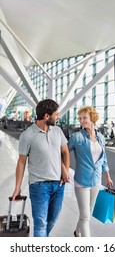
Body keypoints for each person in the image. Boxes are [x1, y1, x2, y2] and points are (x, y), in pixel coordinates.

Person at [12, 99, 70, 237]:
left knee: (51, 221)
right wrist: (17, 187)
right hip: (39, 186)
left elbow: (65, 152)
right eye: (56, 114)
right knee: (40, 224)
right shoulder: (27, 135)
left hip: (58, 185)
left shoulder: (57, 131)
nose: (58, 117)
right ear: (46, 116)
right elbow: (21, 162)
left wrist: (65, 171)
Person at [68, 106, 113, 237]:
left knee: (87, 213)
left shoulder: (101, 137)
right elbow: (64, 152)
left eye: (84, 118)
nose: (82, 121)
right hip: (82, 181)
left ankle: (77, 232)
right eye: (80, 118)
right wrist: (64, 170)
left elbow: (103, 159)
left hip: (96, 180)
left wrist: (108, 177)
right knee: (85, 216)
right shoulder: (77, 137)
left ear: (92, 118)